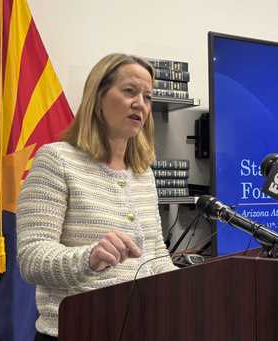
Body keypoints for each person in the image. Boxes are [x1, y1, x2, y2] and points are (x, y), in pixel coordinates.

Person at [16, 53, 178, 341]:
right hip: (75, 330)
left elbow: (155, 255)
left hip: (139, 328)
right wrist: (89, 258)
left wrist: (186, 285)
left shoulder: (143, 173)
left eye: (147, 97)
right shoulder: (56, 160)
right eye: (129, 91)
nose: (140, 103)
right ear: (98, 95)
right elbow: (32, 259)